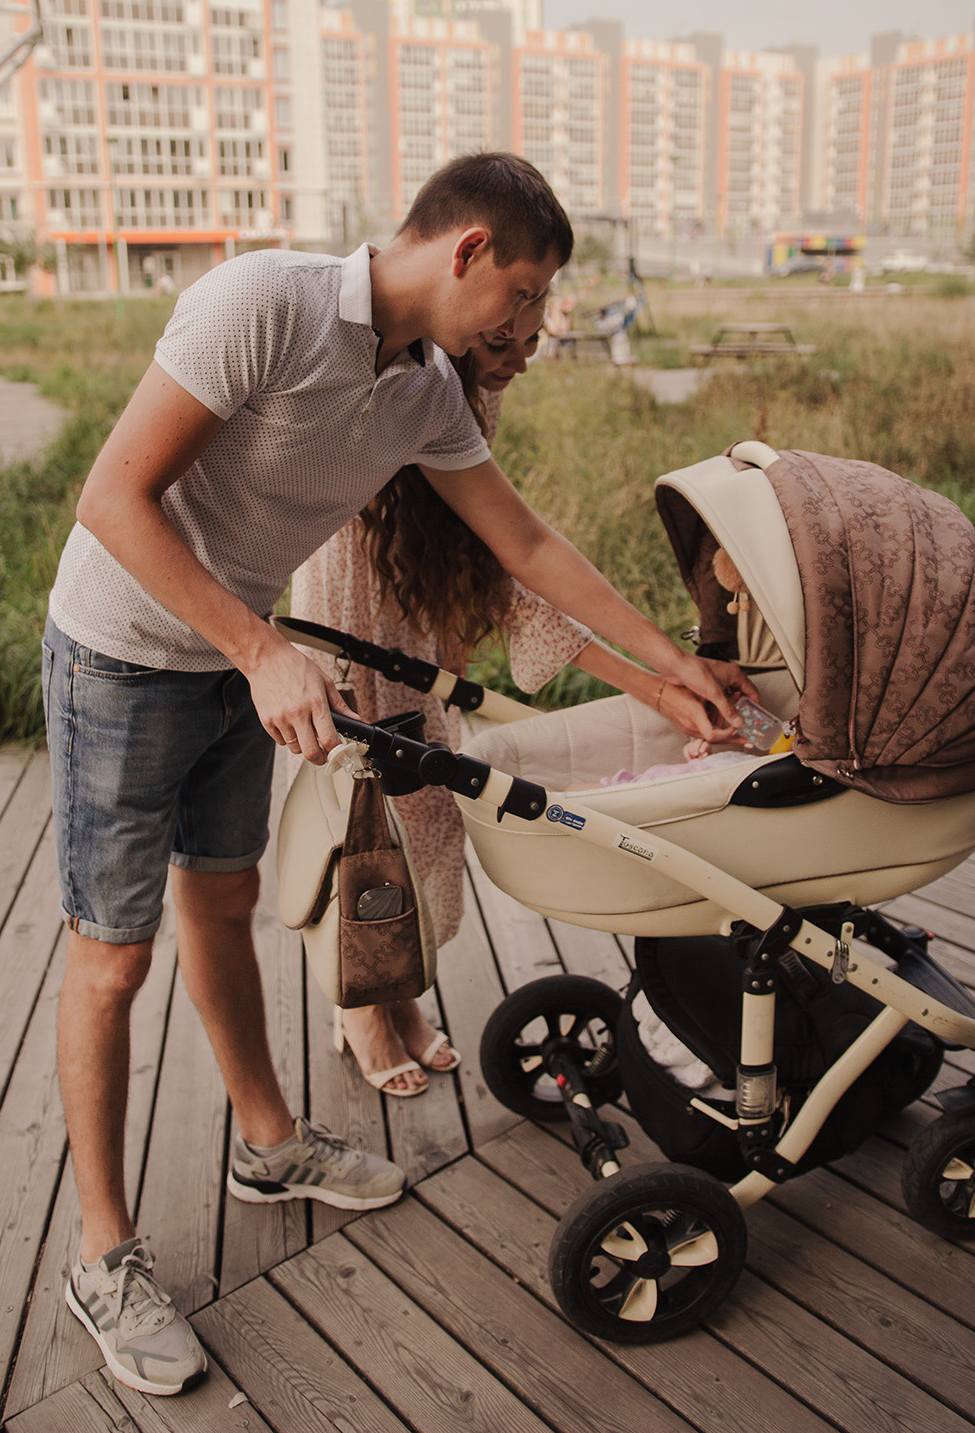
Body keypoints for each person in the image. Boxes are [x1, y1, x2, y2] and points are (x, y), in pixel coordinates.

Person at [44, 151, 750, 1397]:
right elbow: (112, 494)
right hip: (120, 651)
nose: (529, 328)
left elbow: (523, 539)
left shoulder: (424, 389)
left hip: (225, 661)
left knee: (222, 903)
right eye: (525, 298)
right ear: (467, 249)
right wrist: (260, 648)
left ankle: (266, 1144)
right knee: (112, 952)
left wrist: (660, 676)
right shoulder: (262, 305)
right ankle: (102, 1256)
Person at [292, 302, 723, 1096]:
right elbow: (351, 561)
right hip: (352, 637)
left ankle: (398, 995)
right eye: (503, 342)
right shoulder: (393, 400)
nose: (521, 360)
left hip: (419, 647)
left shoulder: (473, 400)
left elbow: (500, 570)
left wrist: (657, 684)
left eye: (531, 342)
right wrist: (334, 672)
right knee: (366, 843)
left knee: (425, 839)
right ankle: (361, 1010)